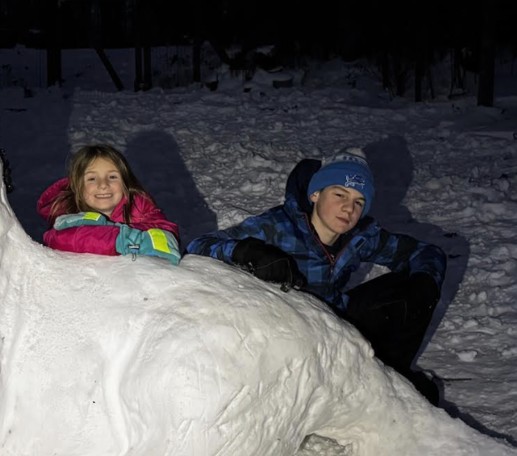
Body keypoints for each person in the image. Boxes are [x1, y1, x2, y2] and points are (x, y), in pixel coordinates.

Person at [186, 148, 446, 404]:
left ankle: (389, 382)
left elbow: (427, 253)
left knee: (411, 289)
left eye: (359, 202)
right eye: (340, 194)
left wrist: (426, 280)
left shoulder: (361, 237)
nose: (348, 208)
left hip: (337, 323)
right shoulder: (277, 227)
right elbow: (199, 246)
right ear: (316, 194)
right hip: (289, 337)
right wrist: (247, 251)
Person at [38, 144, 181, 264]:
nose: (103, 185)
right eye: (92, 178)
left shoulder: (141, 207)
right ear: (77, 186)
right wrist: (121, 239)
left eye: (112, 177)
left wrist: (127, 237)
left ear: (125, 183)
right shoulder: (68, 215)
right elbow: (61, 239)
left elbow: (167, 236)